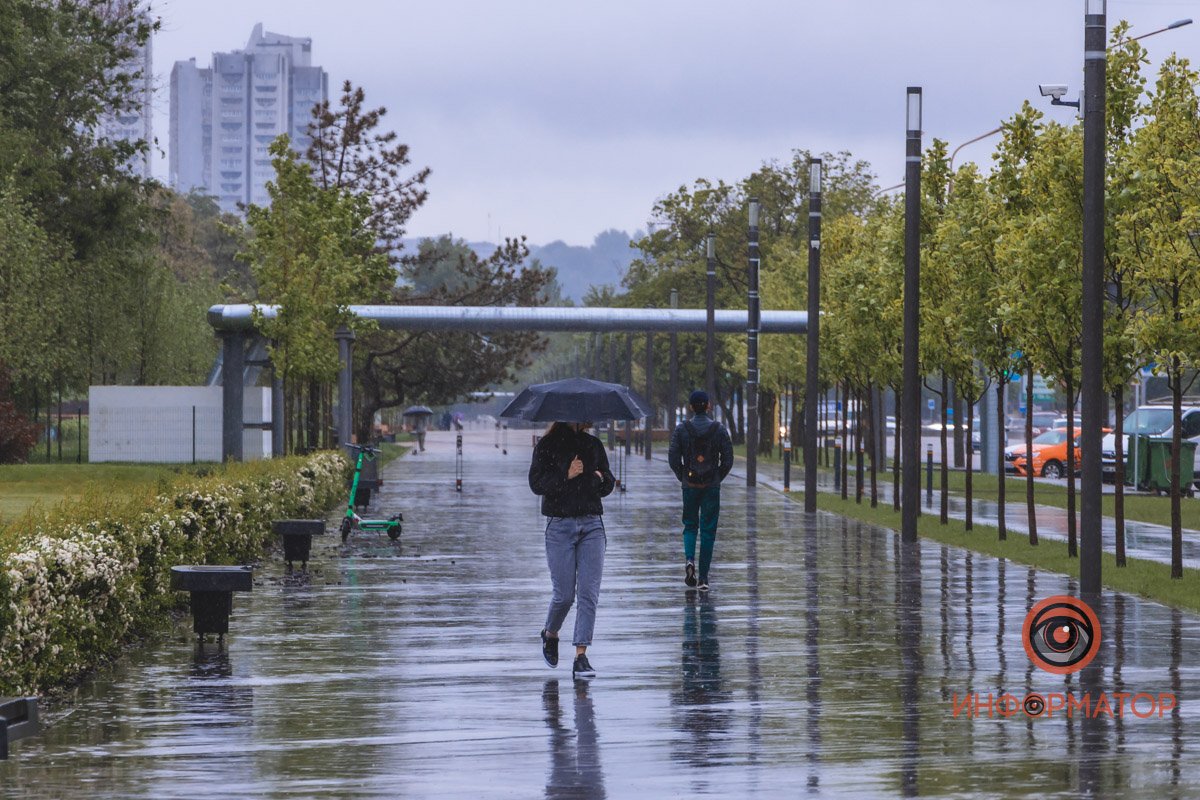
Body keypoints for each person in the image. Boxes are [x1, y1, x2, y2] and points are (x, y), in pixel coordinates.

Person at [529, 420, 616, 679]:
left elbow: (608, 482)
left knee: (588, 593)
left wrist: (597, 479)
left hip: (592, 526)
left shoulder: (593, 445)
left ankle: (581, 656)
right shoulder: (547, 445)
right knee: (564, 595)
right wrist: (566, 475)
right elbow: (536, 484)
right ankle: (550, 633)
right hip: (559, 526)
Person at [668, 390, 734, 591]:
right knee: (708, 531)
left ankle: (689, 559)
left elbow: (673, 458)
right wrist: (716, 477)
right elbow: (728, 460)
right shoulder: (719, 429)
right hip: (711, 487)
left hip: (690, 486)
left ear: (690, 407)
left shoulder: (682, 429)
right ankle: (703, 578)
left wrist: (683, 476)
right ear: (708, 406)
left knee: (689, 526)